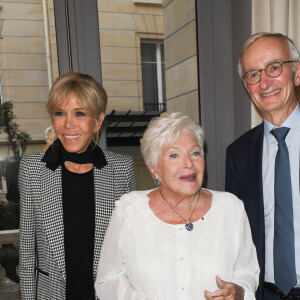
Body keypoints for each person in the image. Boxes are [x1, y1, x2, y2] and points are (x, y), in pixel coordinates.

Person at [95, 112, 259, 300]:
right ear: (154, 169)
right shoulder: (129, 210)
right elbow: (107, 280)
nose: (188, 163)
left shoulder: (231, 208)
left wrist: (239, 292)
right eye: (174, 155)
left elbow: (247, 270)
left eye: (195, 153)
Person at [18, 72, 137, 300]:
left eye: (79, 113)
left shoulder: (122, 168)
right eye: (59, 113)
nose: (68, 124)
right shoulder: (32, 169)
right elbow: (27, 253)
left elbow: (130, 248)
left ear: (98, 121)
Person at [225, 32, 300, 300]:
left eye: (274, 67)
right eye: (253, 74)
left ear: (297, 72)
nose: (264, 82)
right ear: (247, 86)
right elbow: (237, 238)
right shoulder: (238, 154)